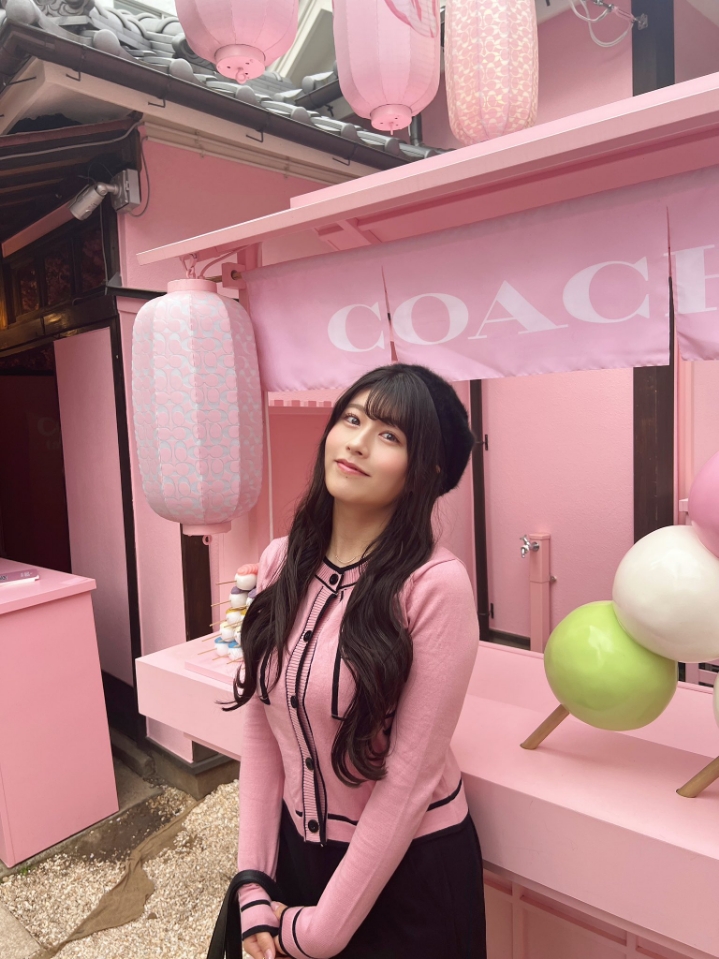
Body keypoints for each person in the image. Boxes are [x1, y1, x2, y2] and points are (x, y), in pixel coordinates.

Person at [230, 363, 486, 959]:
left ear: (425, 473)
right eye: (351, 419)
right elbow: (264, 732)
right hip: (299, 860)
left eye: (389, 435)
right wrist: (253, 882)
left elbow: (410, 778)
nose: (358, 442)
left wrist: (321, 932)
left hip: (410, 876)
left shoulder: (435, 585)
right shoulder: (279, 561)